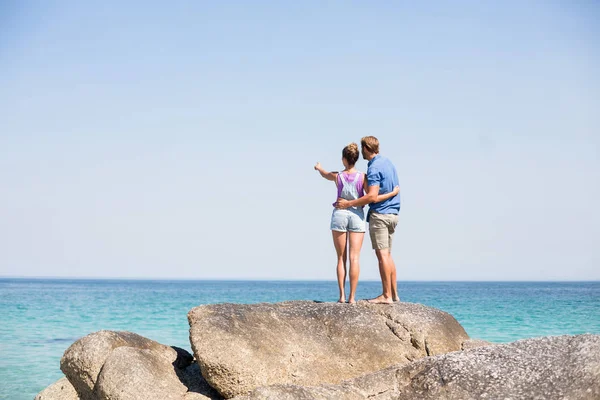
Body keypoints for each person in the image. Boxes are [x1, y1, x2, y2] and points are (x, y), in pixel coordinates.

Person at [315, 142, 399, 304]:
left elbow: (325, 174)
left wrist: (319, 168)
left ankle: (342, 296)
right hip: (357, 216)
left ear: (344, 159)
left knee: (341, 258)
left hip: (339, 214)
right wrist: (392, 193)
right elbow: (372, 197)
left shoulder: (337, 176)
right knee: (354, 258)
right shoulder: (363, 177)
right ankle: (352, 297)